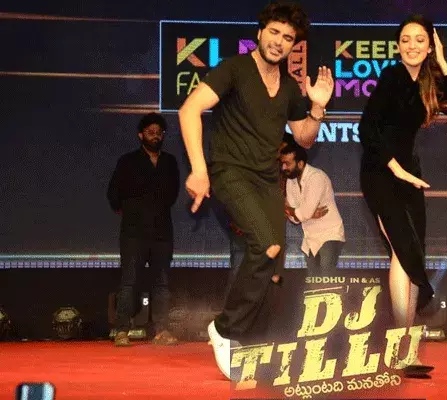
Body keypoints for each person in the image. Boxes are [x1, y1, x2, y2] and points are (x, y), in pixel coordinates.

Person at [178, 2, 333, 380]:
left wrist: (317, 107)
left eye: (288, 38)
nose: (279, 42)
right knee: (265, 246)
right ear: (260, 33)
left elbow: (304, 138)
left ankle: (253, 341)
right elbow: (189, 110)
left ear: (294, 45)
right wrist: (198, 168)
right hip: (230, 172)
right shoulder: (233, 69)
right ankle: (225, 329)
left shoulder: (289, 88)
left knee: (274, 264)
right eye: (274, 33)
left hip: (266, 181)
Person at [359, 15, 447, 375]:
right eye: (406, 39)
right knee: (402, 252)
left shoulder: (427, 81)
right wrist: (395, 168)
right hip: (381, 173)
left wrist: (442, 61)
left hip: (410, 177)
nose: (412, 46)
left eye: (420, 40)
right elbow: (367, 129)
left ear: (430, 45)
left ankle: (406, 350)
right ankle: (401, 348)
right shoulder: (392, 77)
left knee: (412, 254)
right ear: (397, 45)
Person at [107, 112, 180, 347]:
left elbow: (173, 194)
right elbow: (113, 194)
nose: (155, 136)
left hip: (162, 232)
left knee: (162, 283)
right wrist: (133, 211)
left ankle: (161, 330)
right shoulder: (127, 161)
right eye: (150, 132)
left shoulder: (169, 162)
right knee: (129, 282)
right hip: (134, 233)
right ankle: (121, 330)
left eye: (159, 133)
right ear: (141, 135)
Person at [281, 143, 345, 276]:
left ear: (300, 164)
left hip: (329, 235)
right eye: (283, 163)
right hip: (309, 238)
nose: (283, 167)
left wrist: (287, 208)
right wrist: (301, 213)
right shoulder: (291, 180)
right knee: (312, 282)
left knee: (326, 280)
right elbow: (296, 219)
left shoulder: (316, 177)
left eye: (287, 164)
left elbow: (303, 213)